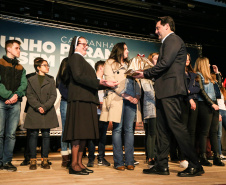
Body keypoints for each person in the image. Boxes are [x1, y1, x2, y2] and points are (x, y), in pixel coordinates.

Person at [134, 16, 204, 177]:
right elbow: (165, 66)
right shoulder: (168, 41)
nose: (156, 31)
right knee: (162, 130)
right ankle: (161, 165)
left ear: (166, 26)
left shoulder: (172, 39)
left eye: (158, 28)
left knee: (176, 127)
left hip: (171, 91)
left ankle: (195, 164)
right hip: (165, 90)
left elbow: (164, 64)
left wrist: (144, 73)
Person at [62, 36, 118, 175]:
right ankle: (73, 164)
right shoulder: (75, 58)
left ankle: (79, 163)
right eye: (84, 44)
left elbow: (88, 83)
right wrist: (102, 82)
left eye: (87, 44)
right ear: (76, 45)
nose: (86, 46)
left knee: (84, 134)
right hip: (80, 101)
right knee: (78, 134)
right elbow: (79, 77)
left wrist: (105, 85)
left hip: (86, 100)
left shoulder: (82, 60)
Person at [100, 42, 140, 171]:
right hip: (117, 98)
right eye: (126, 49)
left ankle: (129, 161)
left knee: (129, 130)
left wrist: (137, 95)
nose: (128, 51)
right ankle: (118, 162)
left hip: (131, 100)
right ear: (119, 50)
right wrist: (124, 95)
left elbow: (137, 80)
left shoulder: (130, 64)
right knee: (117, 129)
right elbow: (110, 82)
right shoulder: (109, 63)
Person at [24, 58, 59, 170]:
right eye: (44, 65)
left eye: (47, 65)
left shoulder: (51, 79)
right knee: (33, 135)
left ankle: (45, 160)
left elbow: (53, 95)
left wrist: (44, 107)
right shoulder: (30, 79)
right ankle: (32, 160)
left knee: (46, 135)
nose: (47, 67)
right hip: (34, 110)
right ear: (38, 67)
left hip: (47, 110)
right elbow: (29, 95)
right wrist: (38, 106)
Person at [0, 40, 27, 172]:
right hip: (1, 102)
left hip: (15, 103)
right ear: (9, 49)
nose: (19, 50)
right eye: (17, 48)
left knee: (11, 134)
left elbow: (24, 84)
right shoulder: (0, 63)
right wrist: (8, 95)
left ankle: (7, 162)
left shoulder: (21, 68)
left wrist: (16, 95)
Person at [194, 57, 225, 166]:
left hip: (214, 105)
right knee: (204, 132)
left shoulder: (210, 77)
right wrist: (211, 104)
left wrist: (218, 74)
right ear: (203, 64)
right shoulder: (198, 75)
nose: (209, 65)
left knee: (214, 132)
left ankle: (216, 156)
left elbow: (219, 87)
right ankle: (202, 156)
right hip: (204, 104)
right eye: (207, 63)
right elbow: (201, 91)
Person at [87, 60, 111, 167]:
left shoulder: (107, 81)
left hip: (104, 112)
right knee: (92, 136)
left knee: (103, 136)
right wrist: (97, 103)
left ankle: (101, 158)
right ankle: (91, 159)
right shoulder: (91, 80)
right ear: (101, 68)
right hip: (93, 112)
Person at [56, 57, 72, 167]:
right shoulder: (61, 77)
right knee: (66, 130)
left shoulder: (75, 77)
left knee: (73, 131)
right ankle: (65, 158)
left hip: (74, 104)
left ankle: (72, 156)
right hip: (66, 103)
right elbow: (64, 92)